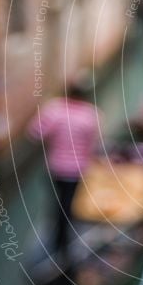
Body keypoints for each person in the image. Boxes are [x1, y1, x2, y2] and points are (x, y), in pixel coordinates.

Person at [27, 79, 102, 268]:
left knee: (57, 203)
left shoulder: (54, 109)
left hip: (56, 168)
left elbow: (34, 133)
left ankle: (58, 243)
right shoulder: (91, 115)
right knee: (67, 205)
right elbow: (94, 146)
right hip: (76, 170)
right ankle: (63, 246)